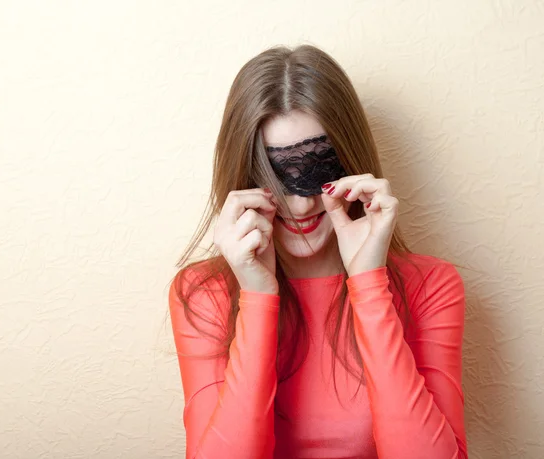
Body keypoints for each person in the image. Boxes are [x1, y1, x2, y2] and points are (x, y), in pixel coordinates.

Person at [168, 44, 467, 459]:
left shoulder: (431, 285)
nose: (302, 204)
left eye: (318, 171)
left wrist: (368, 284)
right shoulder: (204, 294)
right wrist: (256, 297)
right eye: (276, 176)